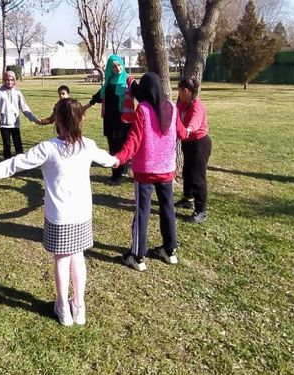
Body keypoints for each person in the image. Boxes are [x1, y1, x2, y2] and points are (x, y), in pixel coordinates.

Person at [0, 98, 117, 326]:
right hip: (81, 216)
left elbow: (13, 165)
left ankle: (64, 308)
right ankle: (78, 307)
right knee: (78, 257)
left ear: (57, 120)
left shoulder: (48, 148)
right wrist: (118, 159)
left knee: (62, 260)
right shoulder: (88, 145)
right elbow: (110, 161)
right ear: (81, 119)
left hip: (60, 218)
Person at [115, 72, 188, 271]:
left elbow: (134, 140)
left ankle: (138, 257)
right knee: (167, 209)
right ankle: (170, 250)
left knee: (142, 212)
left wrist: (119, 158)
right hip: (166, 170)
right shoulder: (172, 108)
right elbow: (182, 133)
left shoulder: (143, 110)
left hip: (145, 171)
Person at [83, 55, 138, 185]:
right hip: (110, 120)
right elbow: (99, 96)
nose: (117, 68)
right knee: (113, 147)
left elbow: (141, 95)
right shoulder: (108, 81)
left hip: (124, 120)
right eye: (114, 66)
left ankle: (123, 173)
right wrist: (86, 106)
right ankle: (115, 173)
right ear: (110, 68)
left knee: (123, 146)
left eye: (119, 65)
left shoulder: (129, 81)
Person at [175, 77, 211, 224]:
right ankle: (187, 199)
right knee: (187, 172)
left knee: (198, 177)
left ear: (186, 91)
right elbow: (174, 115)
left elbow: (194, 122)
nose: (179, 94)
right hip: (188, 142)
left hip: (199, 143)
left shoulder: (197, 105)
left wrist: (188, 129)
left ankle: (201, 210)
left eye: (179, 91)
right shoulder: (183, 104)